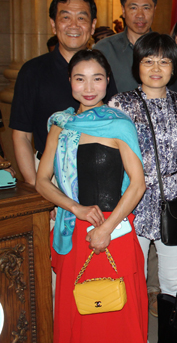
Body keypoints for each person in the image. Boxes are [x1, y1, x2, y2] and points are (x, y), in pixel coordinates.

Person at [35, 49, 148, 342]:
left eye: (96, 79)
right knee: (79, 309)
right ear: (70, 82)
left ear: (107, 81)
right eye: (80, 79)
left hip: (115, 228)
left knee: (116, 310)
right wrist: (77, 208)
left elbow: (138, 184)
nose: (88, 88)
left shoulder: (120, 124)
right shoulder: (60, 125)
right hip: (75, 228)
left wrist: (106, 229)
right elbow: (42, 182)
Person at [109, 33, 177, 298]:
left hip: (173, 201)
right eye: (148, 61)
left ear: (174, 67)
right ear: (137, 66)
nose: (156, 69)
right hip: (133, 200)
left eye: (164, 62)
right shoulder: (120, 105)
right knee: (133, 278)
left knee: (173, 280)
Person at [10, 0, 118, 186]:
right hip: (49, 174)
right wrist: (38, 189)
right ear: (53, 24)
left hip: (98, 173)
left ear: (92, 25)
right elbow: (21, 136)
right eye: (66, 17)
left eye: (82, 18)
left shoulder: (102, 68)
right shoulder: (32, 71)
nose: (74, 25)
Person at [95, 0, 157, 93]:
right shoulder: (104, 50)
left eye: (146, 8)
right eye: (133, 8)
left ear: (154, 10)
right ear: (123, 11)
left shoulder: (167, 48)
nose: (140, 15)